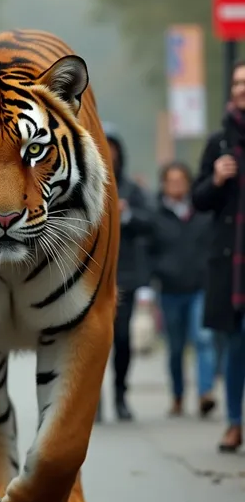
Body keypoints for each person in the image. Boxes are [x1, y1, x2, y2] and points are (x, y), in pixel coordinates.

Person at [192, 59, 245, 453]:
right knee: (236, 343)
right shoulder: (219, 142)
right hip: (232, 262)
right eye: (238, 83)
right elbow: (198, 199)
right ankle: (233, 422)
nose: (243, 89)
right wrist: (216, 178)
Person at [149, 161, 216, 417]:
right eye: (171, 181)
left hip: (200, 286)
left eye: (181, 180)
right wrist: (156, 274)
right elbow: (149, 250)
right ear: (164, 184)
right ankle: (177, 395)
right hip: (169, 290)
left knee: (203, 339)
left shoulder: (202, 212)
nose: (176, 185)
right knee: (176, 348)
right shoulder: (156, 215)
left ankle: (205, 393)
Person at [103, 123, 153, 420]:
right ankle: (92, 401)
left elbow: (152, 223)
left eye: (113, 147)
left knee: (122, 339)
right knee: (94, 341)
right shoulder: (83, 182)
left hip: (127, 275)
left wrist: (127, 215)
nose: (109, 153)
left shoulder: (134, 190)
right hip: (92, 276)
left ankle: (121, 393)